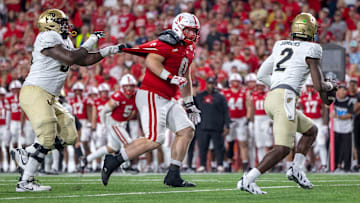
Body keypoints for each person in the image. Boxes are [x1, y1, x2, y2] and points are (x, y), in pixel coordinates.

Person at [10, 9, 125, 192]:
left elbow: (83, 60)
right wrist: (91, 40)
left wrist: (108, 51)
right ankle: (25, 182)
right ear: (50, 24)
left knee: (70, 135)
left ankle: (28, 152)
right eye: (61, 22)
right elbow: (72, 57)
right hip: (35, 91)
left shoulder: (64, 39)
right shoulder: (46, 36)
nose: (66, 25)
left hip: (50, 96)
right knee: (47, 134)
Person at [238, 13, 337, 194]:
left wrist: (279, 86)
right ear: (311, 31)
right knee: (283, 148)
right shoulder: (313, 49)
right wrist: (331, 85)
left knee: (311, 131)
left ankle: (296, 169)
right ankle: (248, 179)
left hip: (272, 97)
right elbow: (318, 85)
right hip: (285, 98)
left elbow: (261, 74)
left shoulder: (280, 45)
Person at [100, 12, 201, 187]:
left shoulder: (188, 48)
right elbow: (152, 61)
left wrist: (189, 103)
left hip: (167, 97)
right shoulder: (167, 42)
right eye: (189, 31)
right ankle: (114, 160)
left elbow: (185, 75)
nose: (192, 35)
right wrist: (169, 77)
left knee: (187, 130)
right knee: (155, 139)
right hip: (151, 94)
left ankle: (173, 175)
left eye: (195, 31)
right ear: (179, 28)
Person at [79, 74, 138, 172]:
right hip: (114, 123)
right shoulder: (118, 96)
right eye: (127, 86)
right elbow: (103, 111)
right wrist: (103, 124)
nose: (129, 88)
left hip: (122, 124)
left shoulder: (135, 96)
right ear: (122, 86)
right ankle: (126, 166)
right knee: (128, 143)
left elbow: (133, 111)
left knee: (112, 147)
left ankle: (86, 159)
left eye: (131, 86)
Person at [195, 76, 230, 172]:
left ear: (215, 84)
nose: (210, 85)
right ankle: (202, 165)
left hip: (217, 126)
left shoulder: (220, 97)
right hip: (202, 126)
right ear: (206, 84)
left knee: (219, 147)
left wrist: (227, 125)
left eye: (212, 83)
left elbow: (226, 111)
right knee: (202, 147)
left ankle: (219, 164)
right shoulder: (199, 96)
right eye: (209, 83)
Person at [222, 73, 251, 172]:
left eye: (237, 81)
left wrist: (247, 118)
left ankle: (245, 164)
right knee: (229, 143)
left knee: (243, 142)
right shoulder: (225, 92)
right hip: (229, 120)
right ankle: (229, 163)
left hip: (241, 119)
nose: (235, 83)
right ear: (230, 82)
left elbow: (249, 106)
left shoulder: (244, 92)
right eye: (233, 81)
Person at [331, 84, 353, 172]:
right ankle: (335, 165)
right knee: (336, 148)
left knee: (347, 148)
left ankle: (347, 167)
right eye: (340, 89)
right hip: (336, 128)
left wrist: (337, 116)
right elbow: (326, 105)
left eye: (344, 90)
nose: (342, 92)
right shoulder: (334, 101)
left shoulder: (349, 101)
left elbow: (349, 114)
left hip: (347, 129)